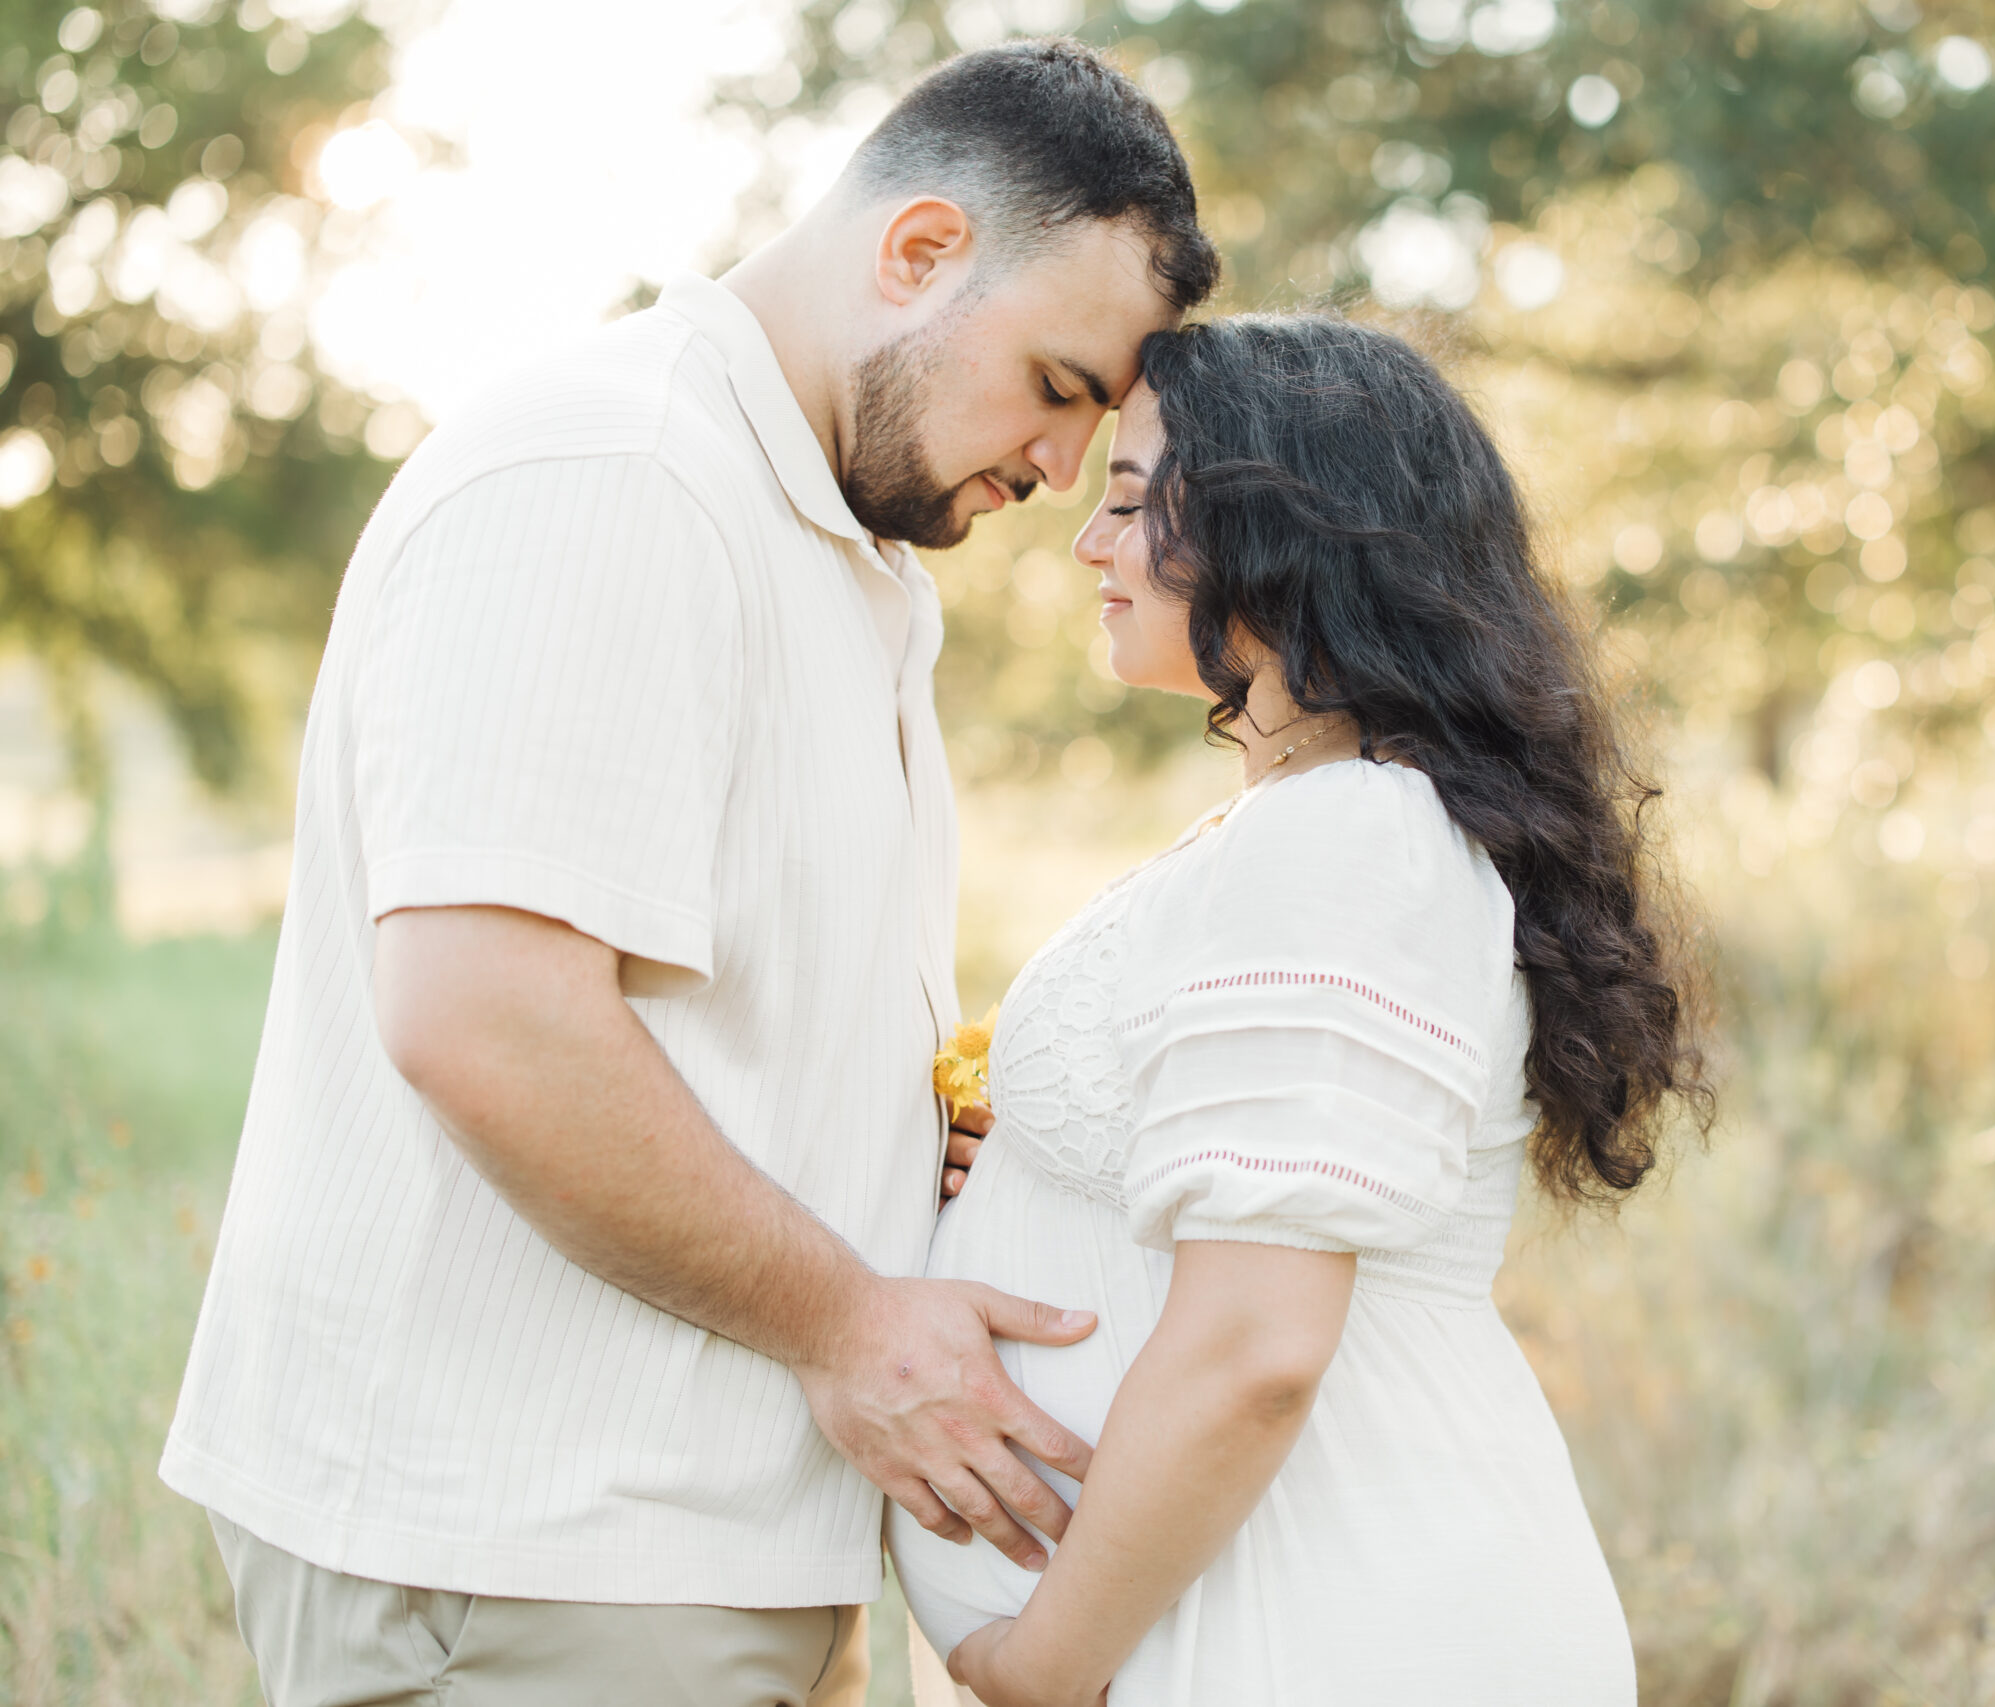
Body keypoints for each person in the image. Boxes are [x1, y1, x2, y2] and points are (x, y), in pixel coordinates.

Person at [158, 41, 1216, 1707]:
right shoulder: (620, 478)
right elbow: (488, 1018)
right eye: (1060, 385)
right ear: (921, 251)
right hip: (526, 1546)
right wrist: (853, 1325)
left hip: (680, 1545)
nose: (1064, 473)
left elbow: (690, 1001)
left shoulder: (815, 543)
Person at [891, 314, 1711, 1706]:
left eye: (1135, 501)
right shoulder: (1314, 823)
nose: (1089, 545)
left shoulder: (1346, 835)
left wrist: (1046, 1662)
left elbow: (1259, 1348)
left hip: (1304, 1614)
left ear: (1288, 530)